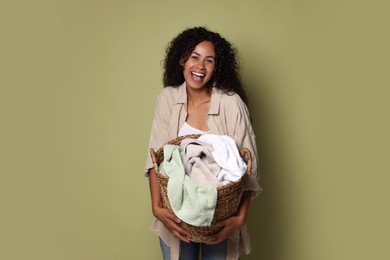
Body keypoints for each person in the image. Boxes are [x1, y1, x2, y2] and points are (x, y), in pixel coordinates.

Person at [144, 27, 262, 260]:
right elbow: (155, 158)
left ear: (216, 68)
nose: (200, 66)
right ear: (182, 60)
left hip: (220, 221)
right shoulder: (168, 98)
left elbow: (250, 166)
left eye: (209, 60)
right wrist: (157, 209)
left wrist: (239, 219)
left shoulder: (231, 103)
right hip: (175, 217)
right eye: (194, 57)